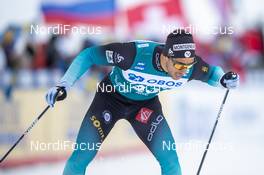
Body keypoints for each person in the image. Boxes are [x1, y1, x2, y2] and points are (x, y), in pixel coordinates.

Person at [45, 30, 239, 175]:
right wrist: (63, 85)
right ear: (165, 56)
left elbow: (214, 73)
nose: (183, 71)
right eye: (179, 65)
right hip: (110, 99)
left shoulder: (189, 67)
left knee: (170, 159)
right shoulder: (132, 54)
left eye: (188, 66)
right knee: (82, 156)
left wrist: (225, 80)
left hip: (145, 107)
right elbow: (89, 55)